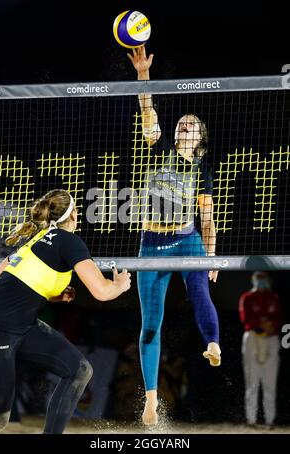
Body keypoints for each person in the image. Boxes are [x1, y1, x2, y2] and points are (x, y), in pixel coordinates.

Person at [127, 46, 221, 425]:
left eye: (192, 123)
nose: (185, 122)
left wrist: (212, 255)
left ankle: (213, 344)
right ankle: (151, 400)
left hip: (188, 240)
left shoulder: (203, 170)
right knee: (151, 324)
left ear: (200, 138)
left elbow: (208, 219)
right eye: (182, 120)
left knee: (200, 292)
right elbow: (148, 111)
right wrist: (143, 75)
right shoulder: (160, 147)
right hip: (152, 244)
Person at [0, 189, 131, 434]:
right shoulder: (68, 241)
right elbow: (101, 292)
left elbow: (4, 271)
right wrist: (120, 285)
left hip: (22, 325)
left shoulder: (38, 236)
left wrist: (53, 293)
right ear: (74, 215)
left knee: (79, 370)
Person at [239, 271, 282, 427]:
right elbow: (245, 318)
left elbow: (278, 319)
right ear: (254, 280)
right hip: (253, 338)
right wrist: (260, 324)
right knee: (252, 381)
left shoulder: (274, 298)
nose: (261, 281)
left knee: (270, 383)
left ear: (268, 280)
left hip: (271, 339)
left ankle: (270, 420)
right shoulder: (247, 297)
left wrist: (269, 326)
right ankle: (251, 420)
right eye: (258, 278)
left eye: (263, 278)